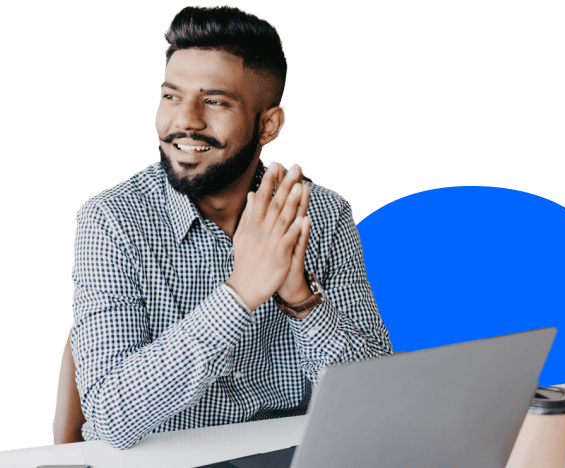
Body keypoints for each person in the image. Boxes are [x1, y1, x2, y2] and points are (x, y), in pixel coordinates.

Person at [71, 5, 393, 451]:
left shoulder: (323, 213)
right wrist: (241, 293)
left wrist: (301, 298)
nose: (185, 120)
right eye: (171, 96)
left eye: (215, 101)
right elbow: (110, 416)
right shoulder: (112, 220)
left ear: (269, 124)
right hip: (161, 458)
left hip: (282, 453)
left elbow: (377, 399)